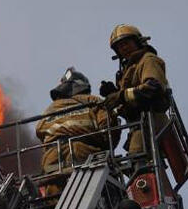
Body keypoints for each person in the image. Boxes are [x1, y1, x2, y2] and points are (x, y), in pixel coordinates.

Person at [35, 67, 118, 195]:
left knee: (52, 204)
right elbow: (108, 128)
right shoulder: (92, 101)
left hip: (53, 161)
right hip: (86, 157)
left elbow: (40, 132)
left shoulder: (50, 109)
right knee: (98, 197)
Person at [100, 25, 170, 158]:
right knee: (139, 165)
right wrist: (112, 93)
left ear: (138, 42)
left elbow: (153, 88)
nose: (123, 48)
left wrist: (120, 96)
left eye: (126, 43)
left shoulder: (148, 60)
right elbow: (129, 101)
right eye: (119, 47)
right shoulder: (129, 69)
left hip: (152, 120)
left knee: (138, 162)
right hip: (139, 125)